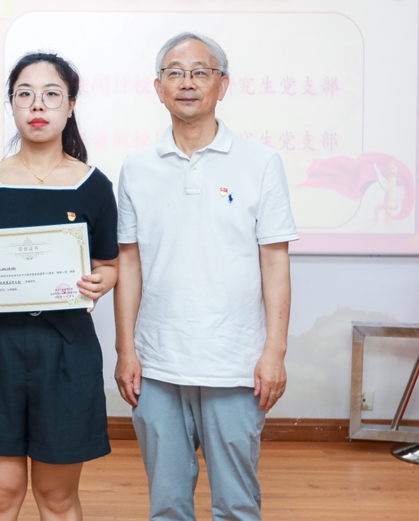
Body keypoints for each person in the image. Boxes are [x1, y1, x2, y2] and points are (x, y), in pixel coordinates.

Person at [114, 33, 298, 521]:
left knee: (237, 505)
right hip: (157, 364)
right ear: (158, 88)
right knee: (167, 506)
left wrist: (275, 352)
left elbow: (275, 261)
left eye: (201, 71)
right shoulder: (136, 167)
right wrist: (126, 349)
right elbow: (129, 262)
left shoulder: (261, 162)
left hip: (235, 364)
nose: (188, 82)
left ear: (223, 84)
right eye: (175, 72)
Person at [0, 52, 119, 520]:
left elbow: (109, 265)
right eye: (25, 94)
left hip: (66, 350)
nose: (37, 105)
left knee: (57, 497)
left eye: (51, 94)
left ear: (71, 105)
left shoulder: (94, 186)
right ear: (12, 104)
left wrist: (99, 281)